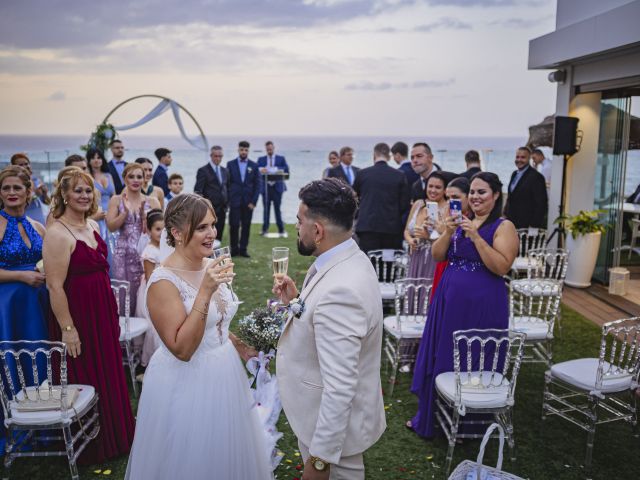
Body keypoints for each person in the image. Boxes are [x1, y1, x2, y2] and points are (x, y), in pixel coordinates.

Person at [125, 193, 271, 480]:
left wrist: (243, 348)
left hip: (226, 373)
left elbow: (216, 326)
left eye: (213, 225)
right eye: (202, 227)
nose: (212, 233)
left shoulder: (209, 265)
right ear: (177, 233)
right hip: (186, 382)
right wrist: (205, 291)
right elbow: (182, 348)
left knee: (225, 455)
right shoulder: (163, 281)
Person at [273, 178, 386, 480]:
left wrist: (319, 462)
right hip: (330, 425)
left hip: (332, 439)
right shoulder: (351, 258)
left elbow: (340, 387)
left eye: (300, 221)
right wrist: (298, 301)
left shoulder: (341, 291)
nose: (297, 227)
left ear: (318, 230)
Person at [408, 172, 518, 438]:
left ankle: (472, 420)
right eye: (473, 192)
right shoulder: (461, 221)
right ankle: (434, 417)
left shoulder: (504, 226)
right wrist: (449, 230)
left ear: (496, 196)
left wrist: (477, 237)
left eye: (482, 193)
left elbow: (501, 267)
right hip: (448, 301)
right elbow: (437, 255)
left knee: (473, 357)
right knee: (442, 354)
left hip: (482, 305)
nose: (476, 197)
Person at [43, 168, 135, 462]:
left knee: (109, 369)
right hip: (79, 318)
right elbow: (54, 286)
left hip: (102, 313)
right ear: (64, 195)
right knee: (88, 374)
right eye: (78, 191)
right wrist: (68, 329)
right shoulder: (57, 233)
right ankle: (93, 444)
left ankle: (118, 434)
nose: (84, 196)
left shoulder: (93, 227)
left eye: (88, 191)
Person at [0, 166, 48, 385]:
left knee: (39, 348)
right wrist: (21, 276)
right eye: (6, 188)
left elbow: (51, 259)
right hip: (8, 303)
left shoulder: (37, 226)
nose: (11, 192)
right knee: (15, 353)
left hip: (38, 300)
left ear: (27, 192)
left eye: (17, 187)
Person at [106, 163, 161, 316]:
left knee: (147, 291)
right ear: (125, 179)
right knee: (125, 294)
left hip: (147, 253)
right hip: (123, 254)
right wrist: (125, 213)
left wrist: (144, 217)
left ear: (144, 179)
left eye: (139, 176)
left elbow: (158, 229)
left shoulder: (153, 201)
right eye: (131, 176)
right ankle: (126, 334)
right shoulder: (116, 200)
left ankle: (146, 333)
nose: (135, 180)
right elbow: (111, 227)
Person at [353, 142, 410, 252]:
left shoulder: (362, 174)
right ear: (388, 157)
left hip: (367, 227)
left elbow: (355, 198)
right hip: (391, 229)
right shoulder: (399, 175)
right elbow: (404, 205)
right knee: (388, 266)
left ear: (374, 155)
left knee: (369, 264)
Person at [404, 171, 453, 288]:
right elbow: (406, 230)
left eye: (438, 187)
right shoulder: (418, 204)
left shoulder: (448, 208)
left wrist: (428, 237)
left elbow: (448, 237)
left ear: (445, 190)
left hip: (434, 257)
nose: (433, 190)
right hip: (416, 255)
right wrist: (411, 240)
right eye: (430, 186)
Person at [430, 176, 471, 301]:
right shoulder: (448, 216)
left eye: (455, 197)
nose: (450, 202)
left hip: (463, 271)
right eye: (448, 198)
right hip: (444, 265)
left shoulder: (472, 220)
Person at [135, 209, 164, 367]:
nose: (161, 233)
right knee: (155, 326)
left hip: (164, 289)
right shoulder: (149, 252)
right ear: (149, 230)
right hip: (152, 293)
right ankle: (150, 362)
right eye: (158, 229)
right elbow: (150, 277)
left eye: (164, 229)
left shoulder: (164, 248)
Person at [227, 140, 259, 257]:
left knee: (246, 226)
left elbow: (257, 185)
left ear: (248, 151)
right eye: (242, 149)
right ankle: (234, 249)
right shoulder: (230, 164)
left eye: (246, 150)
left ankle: (243, 249)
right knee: (234, 226)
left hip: (248, 202)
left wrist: (253, 202)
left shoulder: (254, 166)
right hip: (234, 201)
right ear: (238, 150)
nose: (244, 152)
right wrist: (229, 200)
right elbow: (227, 183)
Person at [503, 147, 548, 229]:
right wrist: (505, 214)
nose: (519, 160)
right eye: (517, 157)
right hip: (511, 223)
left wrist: (534, 225)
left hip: (526, 226)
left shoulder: (536, 177)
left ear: (529, 158)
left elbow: (541, 203)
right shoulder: (514, 174)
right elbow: (511, 197)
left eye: (523, 157)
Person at [195, 146, 229, 241]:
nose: (218, 158)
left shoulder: (225, 171)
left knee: (219, 236)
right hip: (209, 210)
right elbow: (198, 191)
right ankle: (207, 255)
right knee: (208, 237)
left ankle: (217, 255)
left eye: (220, 156)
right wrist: (203, 208)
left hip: (222, 210)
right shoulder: (203, 171)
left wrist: (228, 204)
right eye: (216, 156)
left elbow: (227, 188)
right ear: (211, 156)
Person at [257, 140, 289, 237]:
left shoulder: (281, 158)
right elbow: (256, 169)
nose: (269, 150)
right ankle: (264, 230)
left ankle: (281, 229)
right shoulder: (261, 159)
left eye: (271, 148)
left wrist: (275, 169)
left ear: (273, 148)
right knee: (266, 209)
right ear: (266, 149)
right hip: (265, 188)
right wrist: (260, 169)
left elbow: (286, 169)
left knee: (277, 209)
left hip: (277, 187)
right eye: (267, 149)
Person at [10, 153, 48, 224]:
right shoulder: (14, 184)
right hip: (25, 220)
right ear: (14, 168)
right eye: (21, 165)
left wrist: (45, 193)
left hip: (41, 221)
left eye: (26, 163)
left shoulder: (36, 180)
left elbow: (45, 202)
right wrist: (33, 194)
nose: (25, 166)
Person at [87, 148, 114, 241]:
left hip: (110, 214)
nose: (96, 160)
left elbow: (114, 196)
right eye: (93, 158)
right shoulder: (87, 177)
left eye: (99, 157)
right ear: (89, 161)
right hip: (96, 214)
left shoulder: (108, 176)